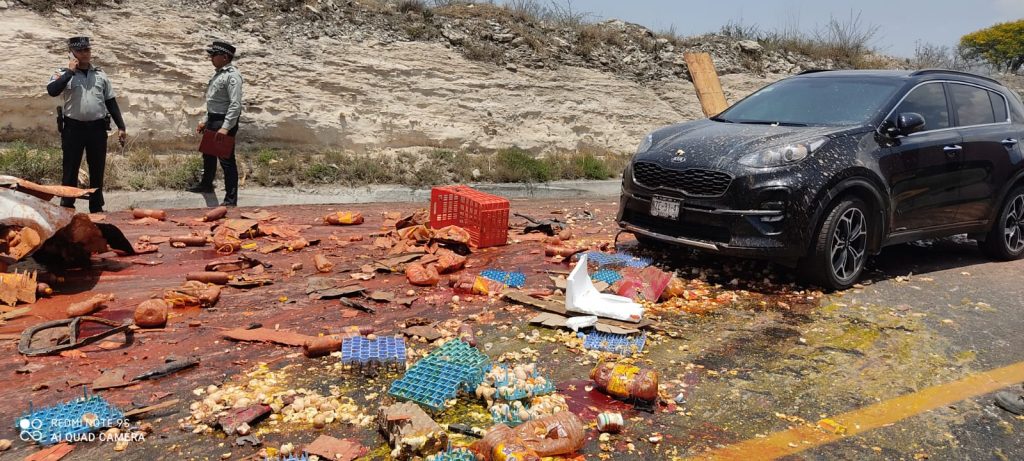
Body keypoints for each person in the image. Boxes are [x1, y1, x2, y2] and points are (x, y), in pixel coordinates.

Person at [46, 36, 126, 213]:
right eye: (81, 50)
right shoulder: (62, 73)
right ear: (72, 53)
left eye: (87, 50)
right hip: (73, 128)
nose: (85, 53)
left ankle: (96, 206)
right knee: (70, 168)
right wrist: (69, 72)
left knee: (97, 168)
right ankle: (67, 206)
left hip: (97, 128)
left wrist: (121, 126)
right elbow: (52, 90)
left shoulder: (100, 74)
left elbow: (111, 102)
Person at [189, 40, 243, 207]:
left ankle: (230, 199)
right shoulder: (218, 74)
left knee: (226, 161)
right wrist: (205, 120)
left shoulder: (232, 76)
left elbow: (235, 105)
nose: (211, 58)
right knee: (208, 155)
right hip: (213, 119)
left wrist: (225, 127)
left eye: (214, 55)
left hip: (223, 121)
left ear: (225, 57)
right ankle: (206, 184)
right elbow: (214, 102)